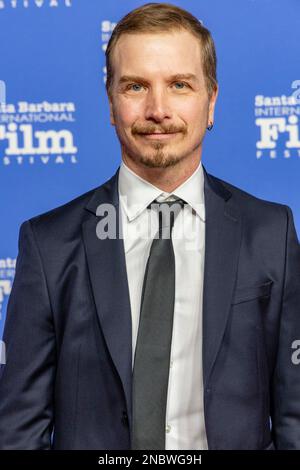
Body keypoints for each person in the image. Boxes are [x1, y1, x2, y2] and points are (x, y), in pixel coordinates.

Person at [0, 2, 299, 450]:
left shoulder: (271, 233)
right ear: (110, 102)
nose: (158, 109)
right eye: (136, 86)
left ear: (210, 100)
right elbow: (17, 432)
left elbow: (294, 416)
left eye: (180, 85)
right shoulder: (48, 245)